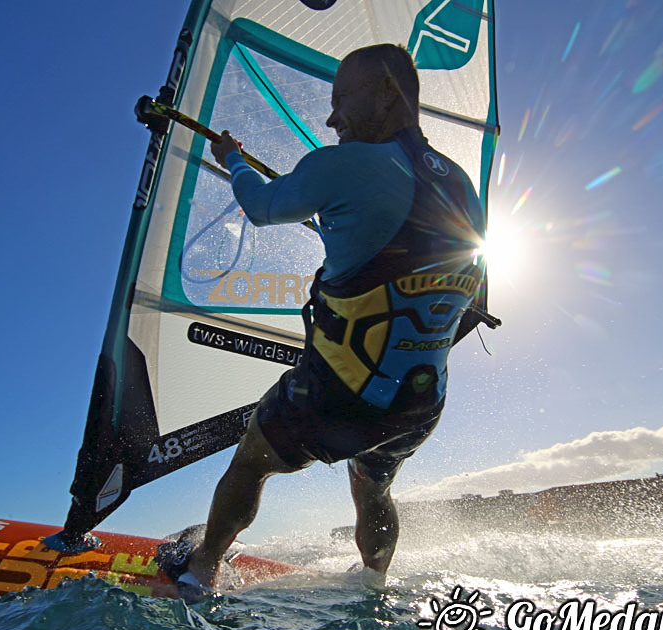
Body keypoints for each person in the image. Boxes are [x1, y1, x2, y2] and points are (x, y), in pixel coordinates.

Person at [158, 43, 486, 597]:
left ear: (385, 91)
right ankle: (373, 585)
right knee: (374, 487)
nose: (331, 118)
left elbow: (262, 207)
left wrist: (233, 160)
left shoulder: (348, 163)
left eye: (340, 99)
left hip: (338, 396)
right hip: (418, 404)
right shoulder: (462, 187)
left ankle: (200, 569)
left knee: (251, 460)